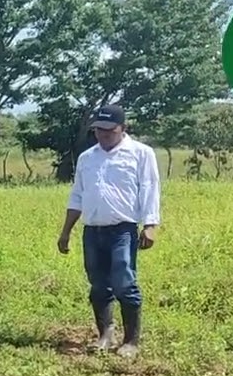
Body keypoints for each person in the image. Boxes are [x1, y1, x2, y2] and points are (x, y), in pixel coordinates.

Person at [56, 104, 161, 358]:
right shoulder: (87, 158)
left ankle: (131, 341)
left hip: (122, 230)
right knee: (98, 285)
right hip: (92, 231)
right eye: (98, 130)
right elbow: (77, 195)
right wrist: (66, 231)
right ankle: (105, 334)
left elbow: (150, 189)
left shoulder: (140, 153)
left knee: (124, 282)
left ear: (123, 128)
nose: (102, 135)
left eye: (108, 130)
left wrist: (150, 225)